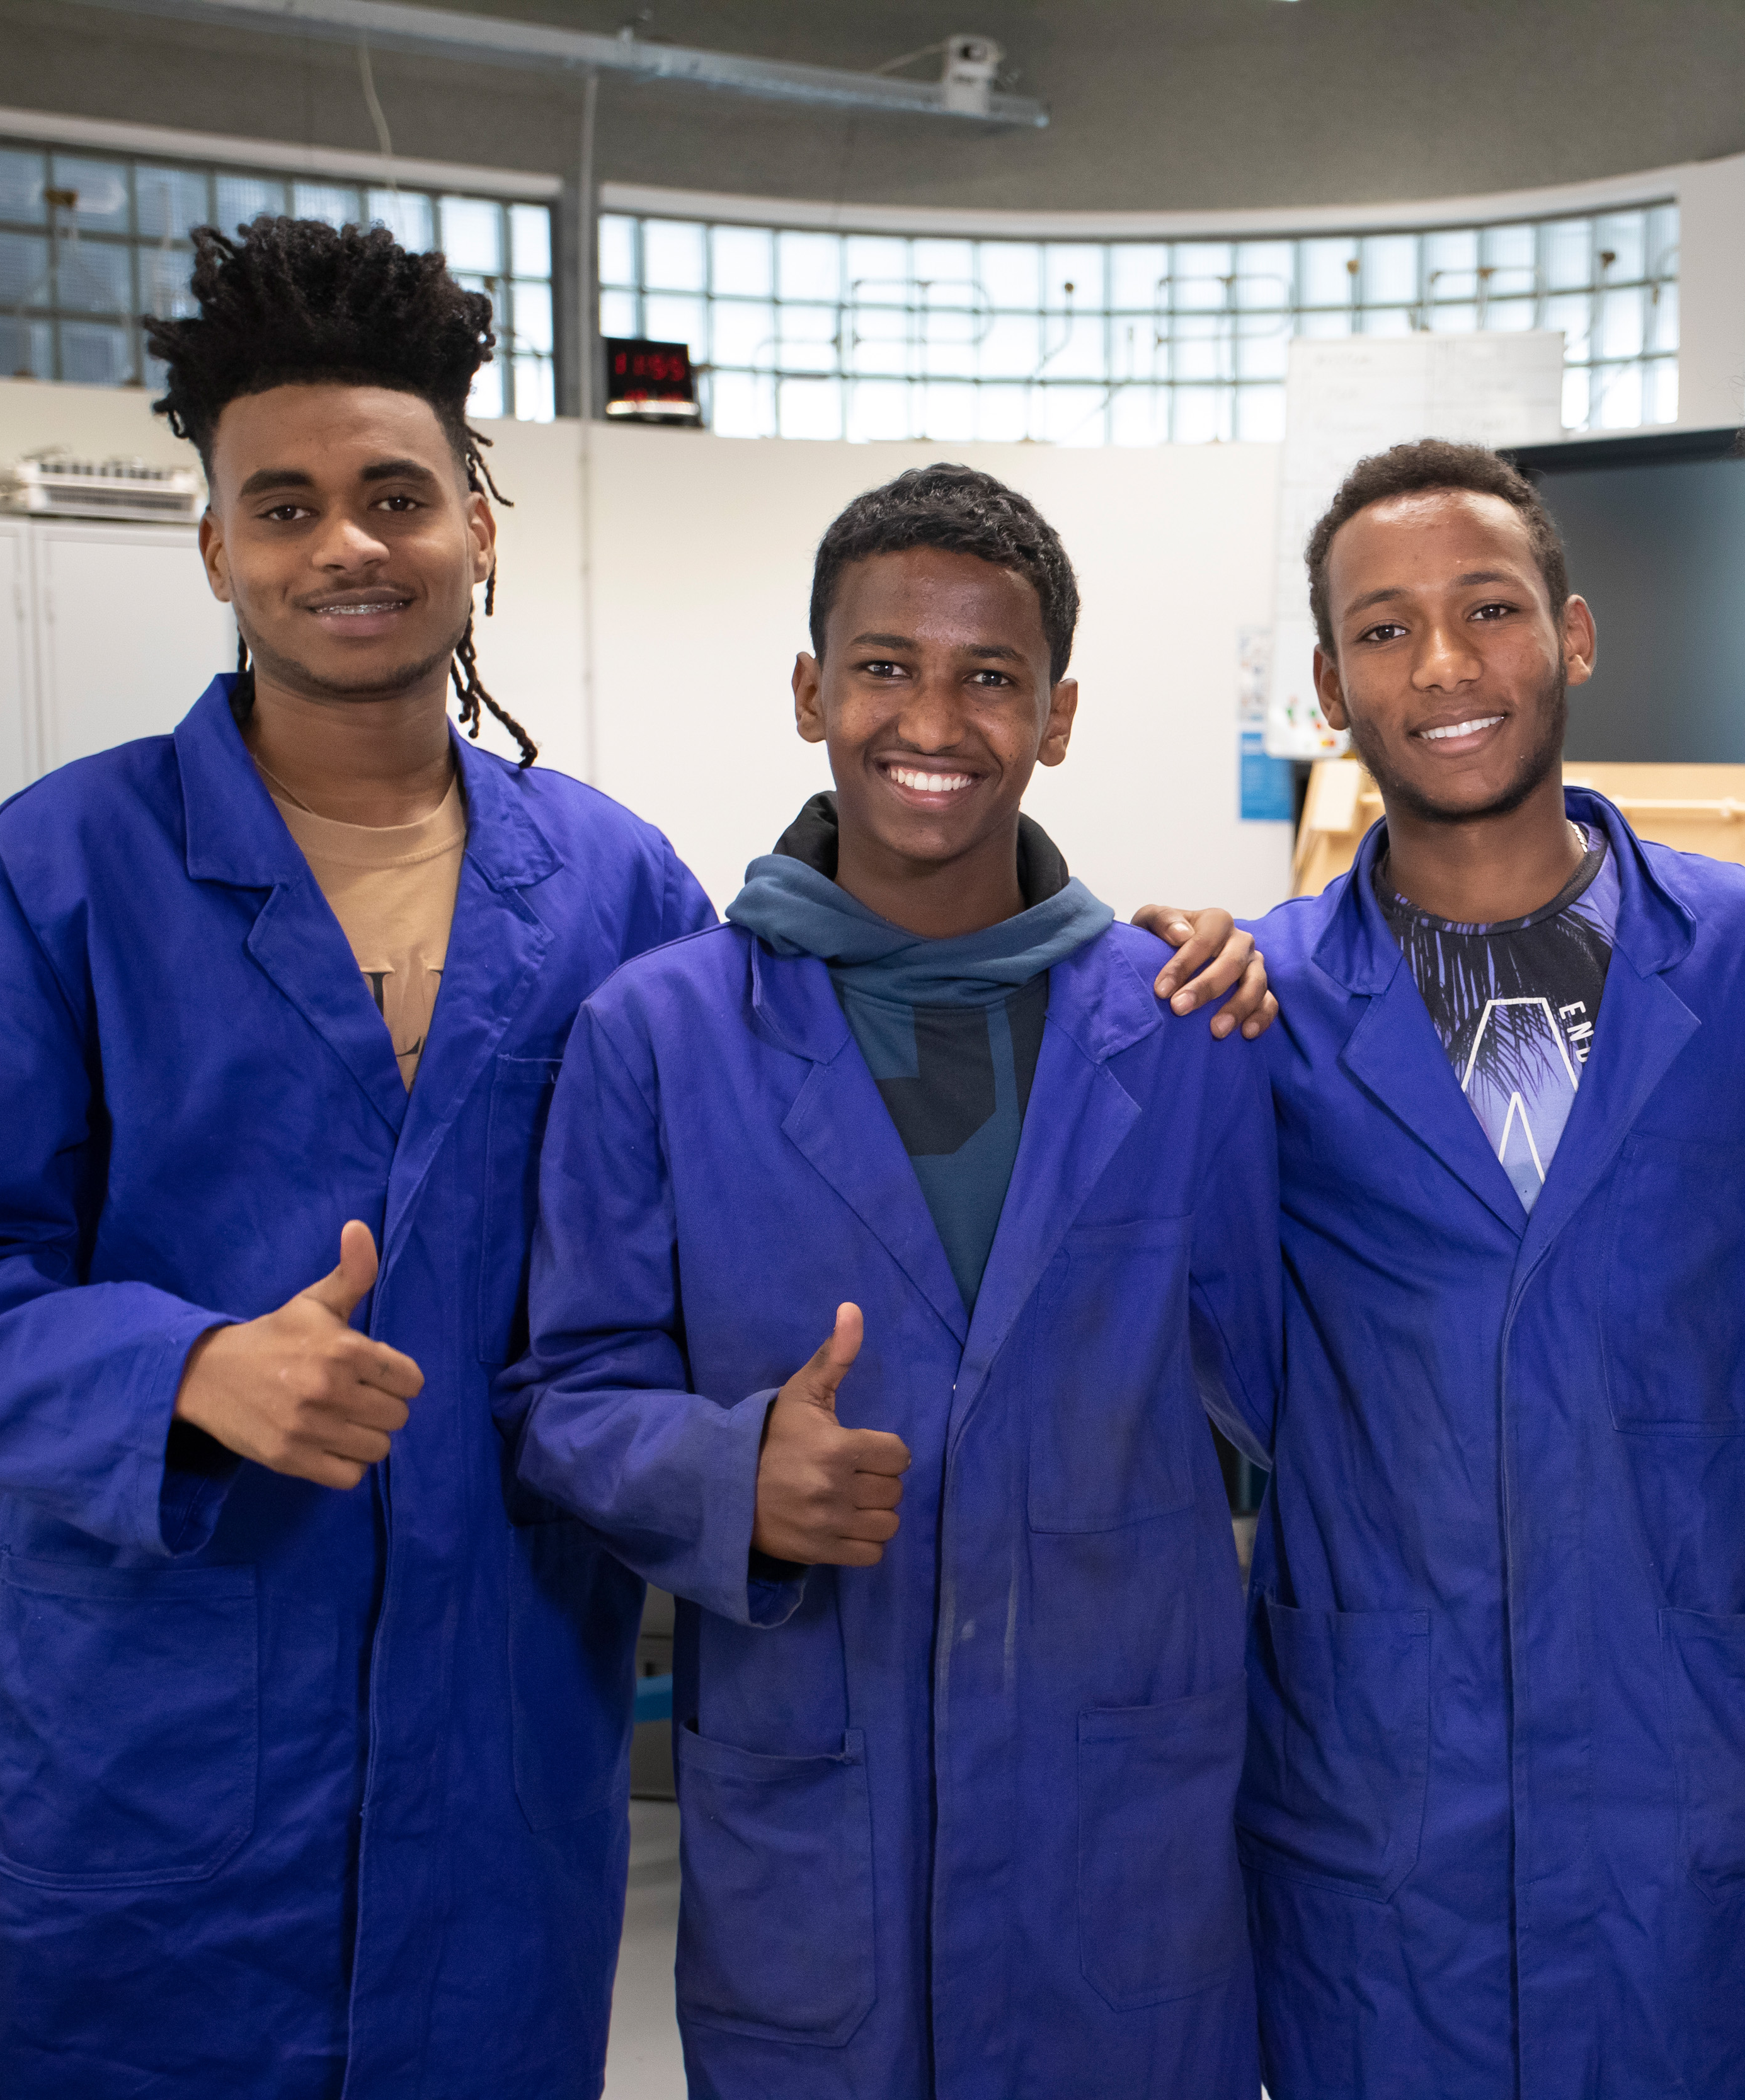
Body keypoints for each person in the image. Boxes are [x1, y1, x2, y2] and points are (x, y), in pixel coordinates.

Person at [0, 215, 710, 2096]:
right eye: (288, 504)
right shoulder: (58, 873)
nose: (348, 545)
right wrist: (184, 1367)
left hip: (497, 1743)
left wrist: (1136, 972)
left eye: (396, 494)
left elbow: (728, 1203)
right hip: (161, 1767)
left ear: (479, 527)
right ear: (218, 547)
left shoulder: (616, 888)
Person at [501, 463, 1280, 2099]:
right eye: (884, 666)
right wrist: (731, 1475)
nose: (934, 717)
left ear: (1058, 718)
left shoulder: (1190, 1027)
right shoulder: (662, 1035)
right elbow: (562, 1403)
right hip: (819, 1849)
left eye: (991, 676)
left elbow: (1306, 1392)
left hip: (1121, 1850)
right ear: (811, 693)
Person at [1239, 440, 1745, 2099]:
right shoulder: (1258, 1013)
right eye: (1383, 630)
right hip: (1389, 1774)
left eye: (1489, 610)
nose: (1442, 667)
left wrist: (1688, 1430)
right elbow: (1213, 1351)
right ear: (1327, 682)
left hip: (1688, 1746)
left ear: (1574, 638)